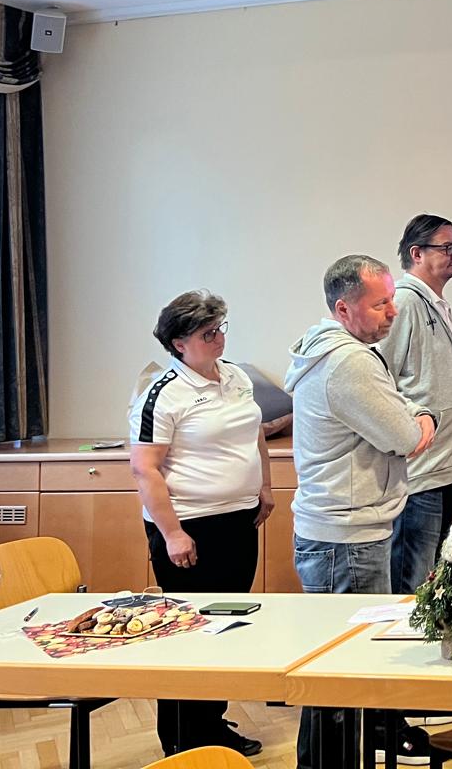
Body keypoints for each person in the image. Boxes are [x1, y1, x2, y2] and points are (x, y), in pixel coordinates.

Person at [287, 255, 432, 769]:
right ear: (344, 309)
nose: (393, 312)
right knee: (341, 678)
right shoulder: (348, 362)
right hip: (345, 539)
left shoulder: (343, 353)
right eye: (380, 304)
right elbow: (406, 435)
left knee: (340, 674)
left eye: (391, 299)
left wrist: (408, 416)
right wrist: (423, 418)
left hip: (345, 532)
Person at [129, 290, 271, 758]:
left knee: (226, 629)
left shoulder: (236, 377)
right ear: (178, 343)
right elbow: (145, 469)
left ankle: (212, 725)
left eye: (219, 329)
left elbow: (254, 434)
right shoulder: (163, 393)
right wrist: (172, 534)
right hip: (189, 527)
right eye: (207, 333)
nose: (218, 339)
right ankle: (183, 740)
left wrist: (265, 487)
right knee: (188, 634)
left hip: (239, 521)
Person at [379, 215, 452, 594]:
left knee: (433, 580)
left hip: (443, 465)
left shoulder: (434, 303)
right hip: (419, 472)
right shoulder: (405, 302)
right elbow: (380, 378)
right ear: (416, 253)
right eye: (447, 248)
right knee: (413, 582)